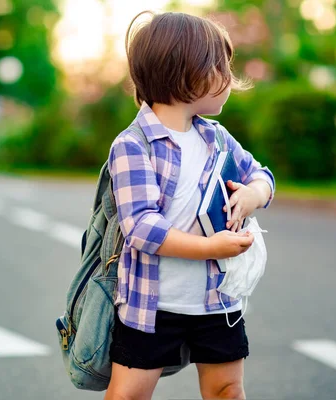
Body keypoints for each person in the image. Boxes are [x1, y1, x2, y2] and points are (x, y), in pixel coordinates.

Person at [105, 11, 275, 400]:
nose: (230, 78)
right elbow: (142, 227)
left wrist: (253, 194)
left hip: (216, 302)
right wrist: (209, 249)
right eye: (221, 66)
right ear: (186, 71)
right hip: (151, 306)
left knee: (227, 390)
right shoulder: (134, 145)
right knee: (128, 394)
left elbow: (262, 175)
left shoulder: (217, 137)